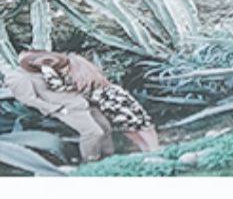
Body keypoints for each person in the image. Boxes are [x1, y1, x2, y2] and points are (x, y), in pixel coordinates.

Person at [18, 50, 160, 154]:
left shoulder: (72, 65)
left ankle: (153, 150)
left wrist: (46, 69)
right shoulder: (65, 69)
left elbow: (69, 86)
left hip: (109, 98)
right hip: (108, 98)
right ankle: (149, 151)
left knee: (137, 123)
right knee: (132, 124)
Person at [3, 61, 113, 165]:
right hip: (65, 108)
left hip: (80, 103)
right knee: (93, 132)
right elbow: (29, 99)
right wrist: (55, 108)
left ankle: (109, 157)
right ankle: (91, 164)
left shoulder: (49, 69)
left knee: (105, 127)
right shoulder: (20, 76)